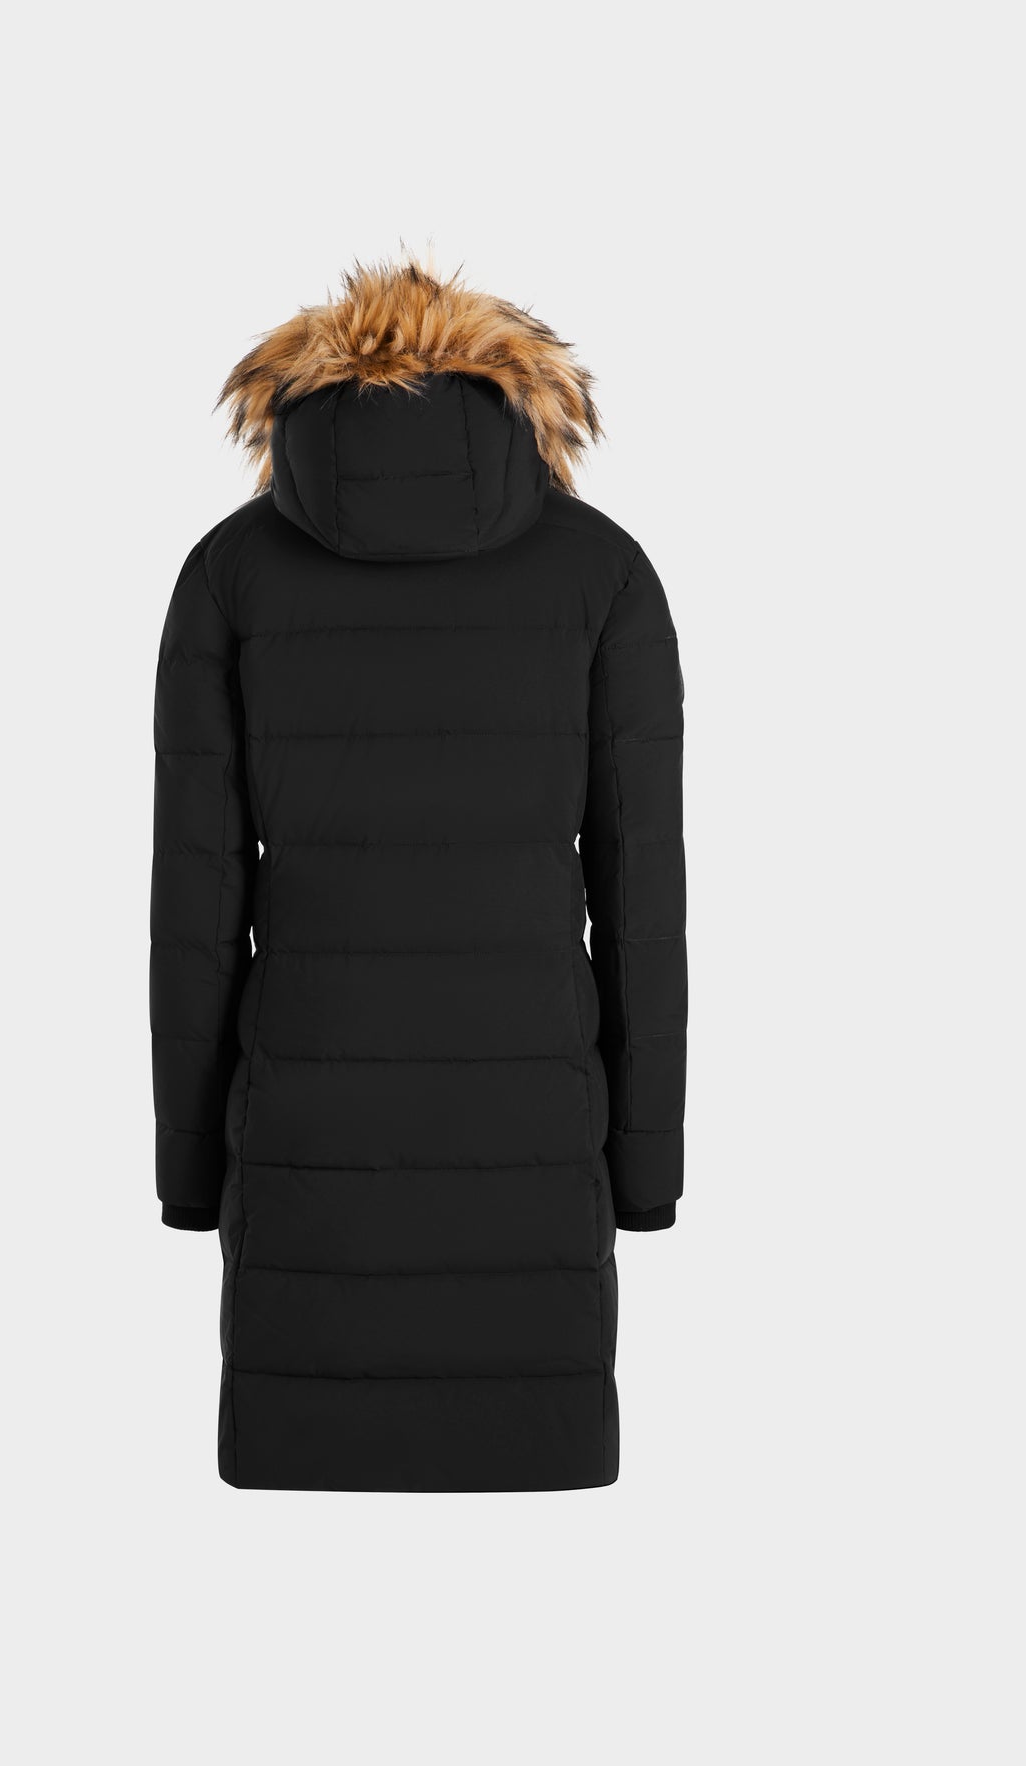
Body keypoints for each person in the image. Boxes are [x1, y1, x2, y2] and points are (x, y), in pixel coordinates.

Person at [151, 258, 686, 1490]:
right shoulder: (604, 573)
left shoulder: (231, 574)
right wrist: (645, 1172)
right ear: (526, 397)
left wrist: (190, 1173)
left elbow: (195, 901)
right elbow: (643, 904)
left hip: (306, 1142)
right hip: (533, 1133)